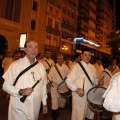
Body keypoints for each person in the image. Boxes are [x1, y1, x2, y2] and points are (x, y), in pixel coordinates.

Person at [2, 40, 48, 120]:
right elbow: (5, 86)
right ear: (25, 50)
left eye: (36, 47)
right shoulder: (16, 65)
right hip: (19, 106)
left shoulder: (41, 67)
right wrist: (20, 91)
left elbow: (43, 86)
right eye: (30, 47)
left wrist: (44, 103)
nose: (33, 50)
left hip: (35, 107)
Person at [66, 47, 98, 120]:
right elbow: (68, 81)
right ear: (81, 55)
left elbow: (94, 81)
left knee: (89, 115)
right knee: (78, 116)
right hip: (80, 97)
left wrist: (97, 82)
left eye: (89, 55)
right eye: (85, 55)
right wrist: (76, 89)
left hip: (90, 97)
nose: (87, 57)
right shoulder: (76, 67)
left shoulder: (93, 67)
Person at [48, 54, 70, 120]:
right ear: (57, 59)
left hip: (63, 88)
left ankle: (57, 111)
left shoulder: (65, 66)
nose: (60, 60)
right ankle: (54, 117)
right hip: (55, 88)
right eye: (59, 58)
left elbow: (69, 75)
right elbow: (49, 76)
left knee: (62, 103)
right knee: (55, 102)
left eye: (61, 58)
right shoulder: (53, 67)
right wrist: (50, 84)